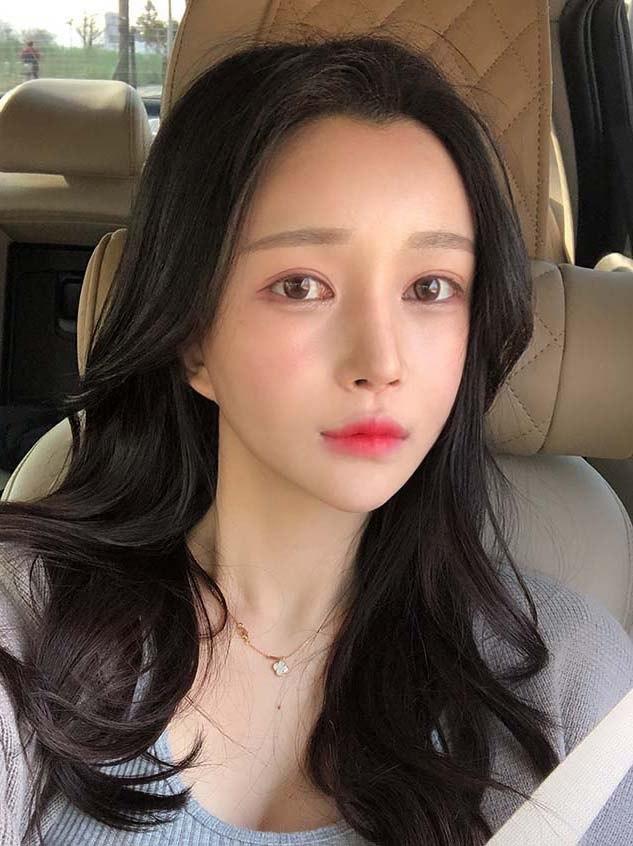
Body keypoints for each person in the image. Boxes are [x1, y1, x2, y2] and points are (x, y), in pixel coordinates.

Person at [0, 32, 631, 846]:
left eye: (429, 287)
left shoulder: (568, 680)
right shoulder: (23, 622)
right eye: (301, 286)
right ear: (192, 338)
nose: (381, 362)